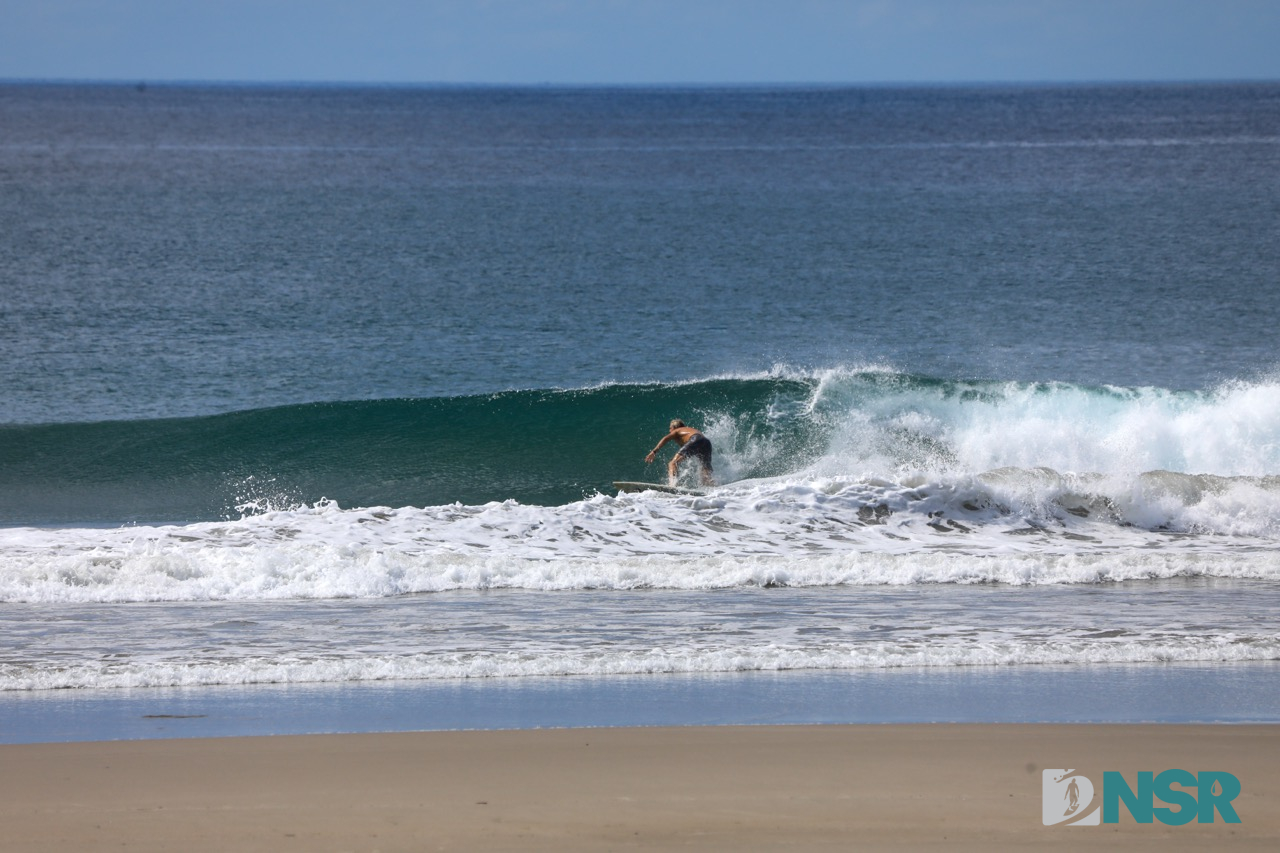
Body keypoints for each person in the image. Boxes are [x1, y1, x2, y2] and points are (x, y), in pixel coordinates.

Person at [646, 419, 715, 486]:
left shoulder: (677, 430)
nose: (669, 431)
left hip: (695, 439)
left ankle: (672, 485)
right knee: (705, 470)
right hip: (706, 443)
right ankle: (714, 488)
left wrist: (654, 452)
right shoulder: (689, 430)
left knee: (672, 463)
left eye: (670, 428)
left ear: (674, 427)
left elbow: (665, 438)